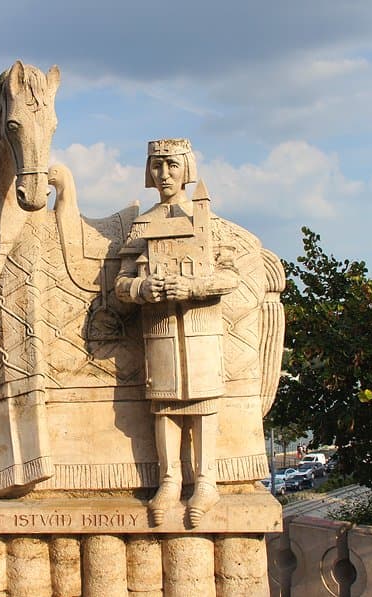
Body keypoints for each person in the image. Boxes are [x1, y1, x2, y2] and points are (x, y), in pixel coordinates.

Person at [116, 138, 240, 527]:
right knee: (165, 405)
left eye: (171, 164)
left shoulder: (209, 221)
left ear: (187, 168)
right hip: (160, 331)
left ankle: (205, 480)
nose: (164, 173)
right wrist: (141, 289)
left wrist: (193, 288)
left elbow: (230, 275)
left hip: (201, 330)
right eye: (156, 165)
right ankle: (169, 480)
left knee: (203, 404)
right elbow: (120, 283)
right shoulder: (143, 223)